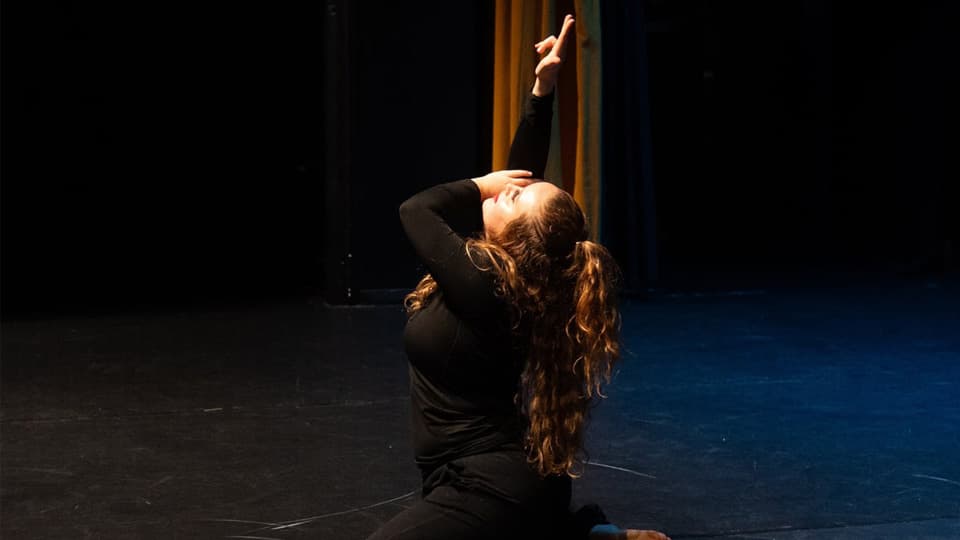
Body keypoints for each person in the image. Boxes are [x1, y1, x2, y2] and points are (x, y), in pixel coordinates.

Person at [369, 15, 670, 540]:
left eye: (513, 199)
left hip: (491, 485)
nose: (505, 188)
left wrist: (477, 184)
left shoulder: (485, 283)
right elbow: (523, 174)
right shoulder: (526, 277)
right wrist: (541, 91)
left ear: (517, 238)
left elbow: (415, 210)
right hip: (499, 478)